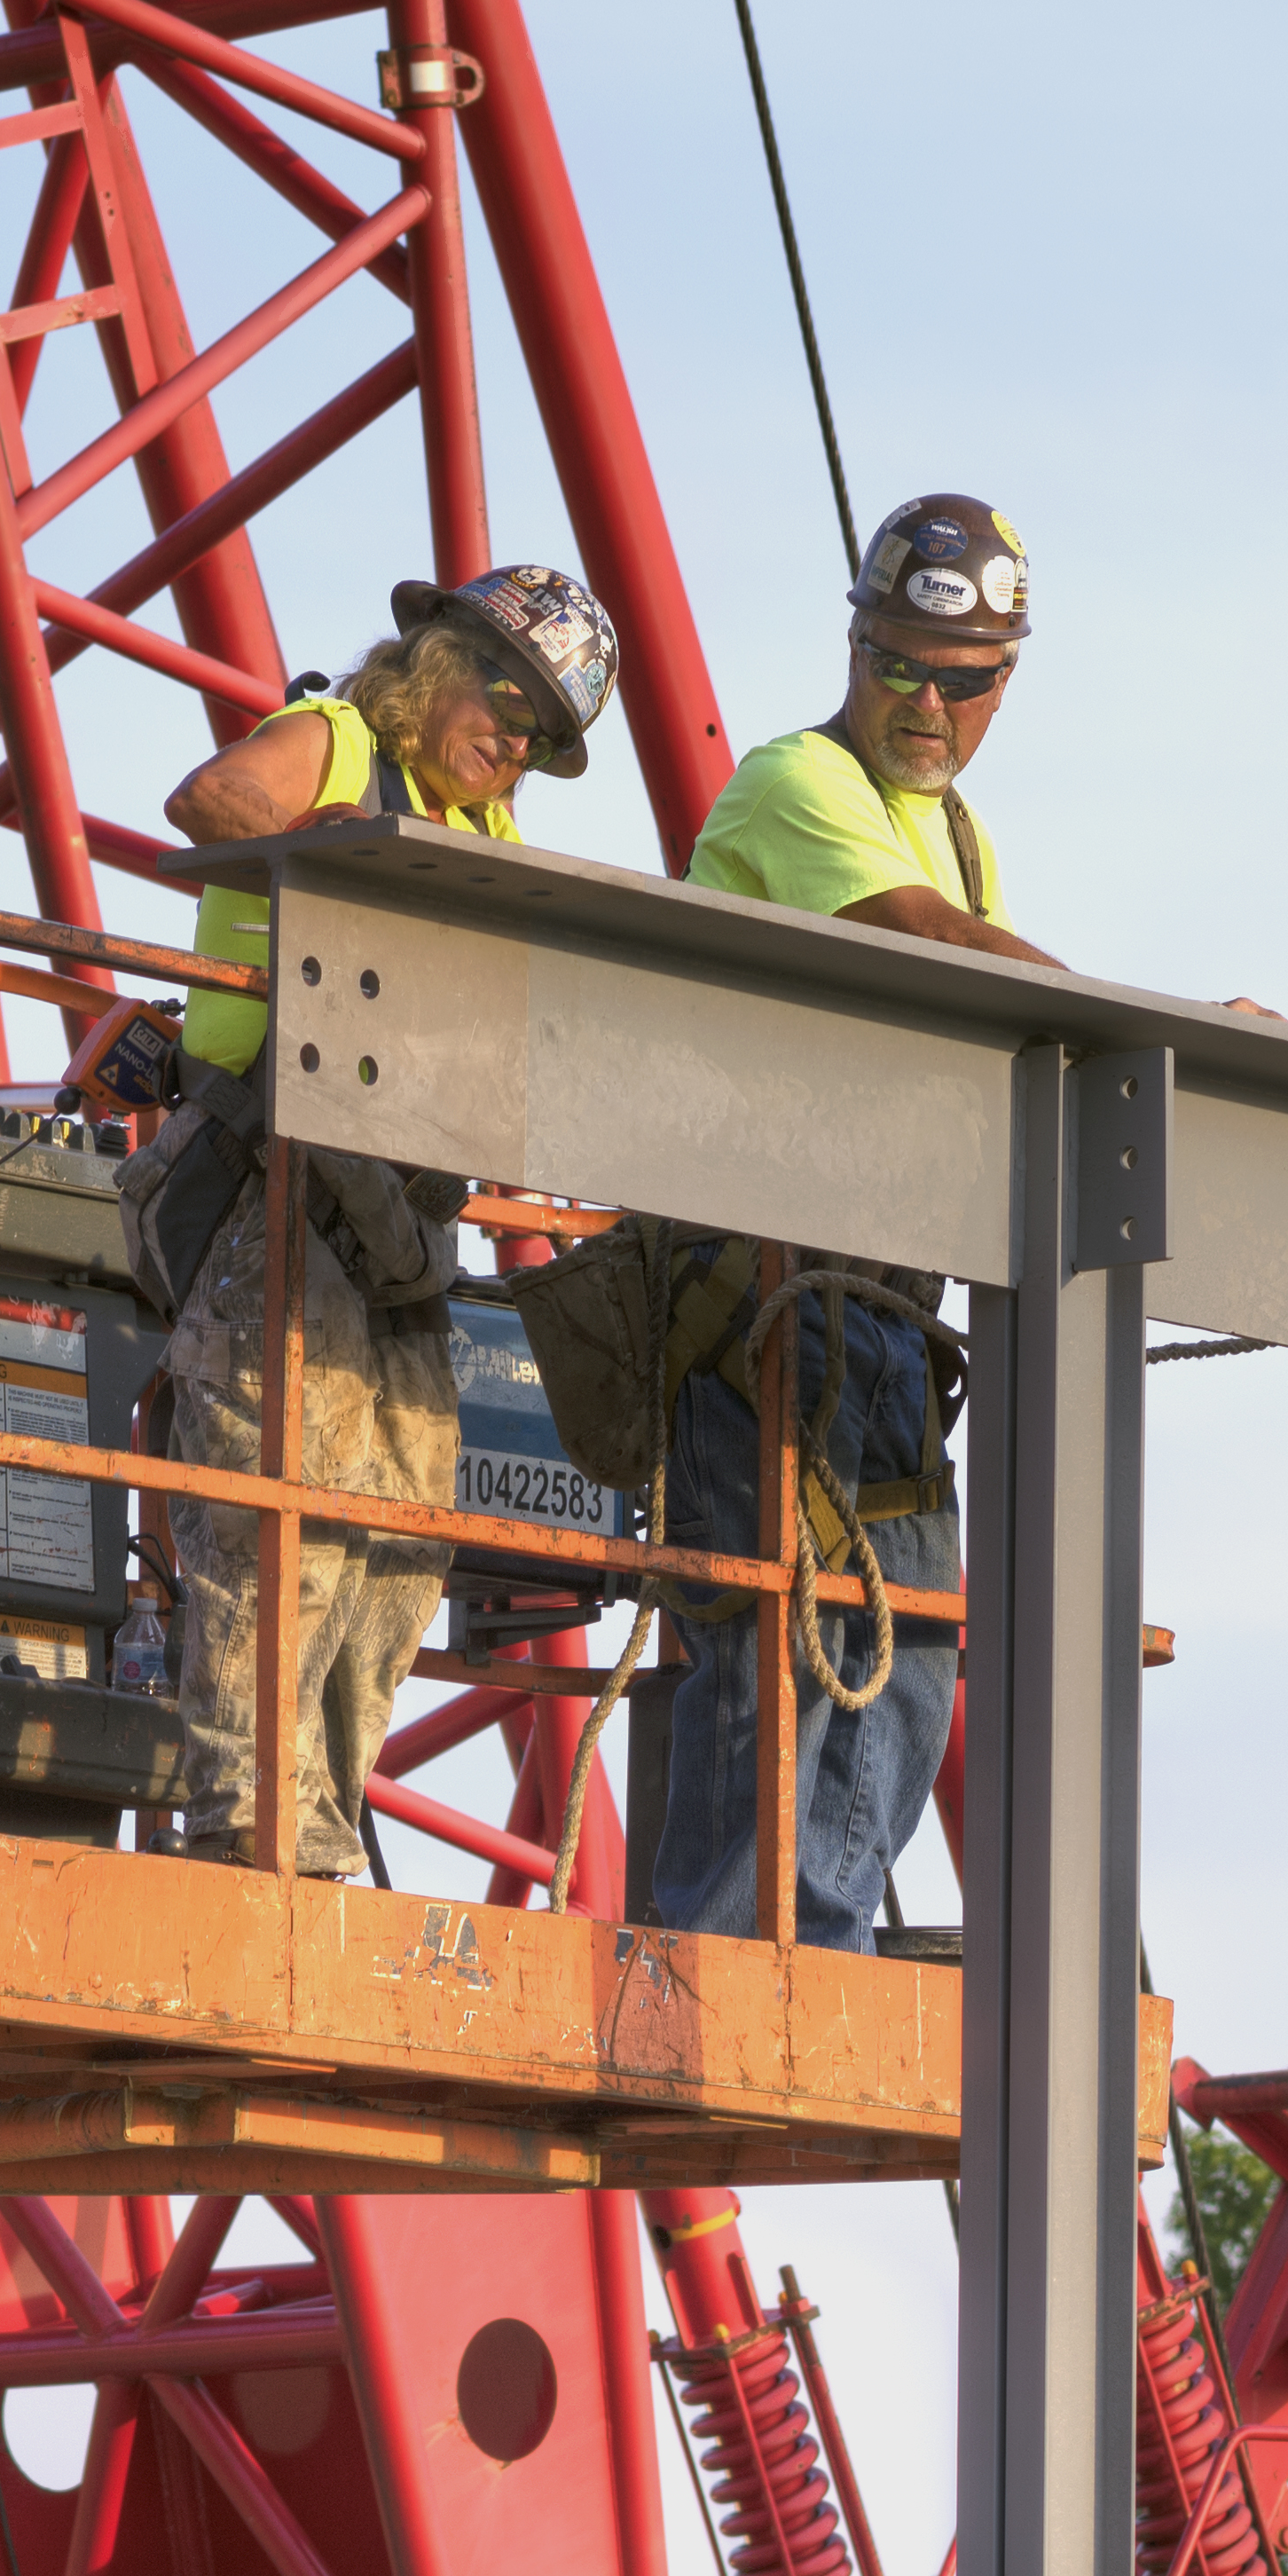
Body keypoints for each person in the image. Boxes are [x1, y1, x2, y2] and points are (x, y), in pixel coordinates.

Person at [122, 564, 624, 1871]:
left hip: (397, 1221)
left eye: (539, 736)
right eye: (506, 702)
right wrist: (356, 847)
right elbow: (216, 798)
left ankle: (324, 1823)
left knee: (402, 1529)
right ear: (437, 661)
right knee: (281, 1511)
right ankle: (249, 1822)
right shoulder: (339, 737)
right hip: (271, 1191)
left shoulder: (493, 835)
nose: (512, 742)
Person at [636, 492, 1055, 1946]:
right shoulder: (794, 784)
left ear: (1008, 678)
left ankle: (827, 1936)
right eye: (903, 666)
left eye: (967, 678)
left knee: (916, 1640)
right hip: (761, 1300)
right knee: (777, 1640)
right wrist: (1170, 1035)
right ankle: (729, 1949)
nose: (928, 704)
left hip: (877, 1313)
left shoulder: (962, 835)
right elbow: (927, 951)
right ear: (858, 642)